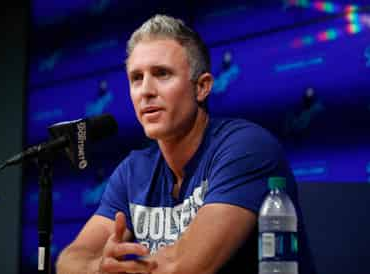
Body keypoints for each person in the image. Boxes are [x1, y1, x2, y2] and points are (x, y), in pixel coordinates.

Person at [56, 14, 314, 274]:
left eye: (162, 74)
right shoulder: (133, 171)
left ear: (202, 87)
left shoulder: (246, 148)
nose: (146, 90)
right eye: (136, 78)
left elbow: (185, 266)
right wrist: (98, 268)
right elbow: (69, 261)